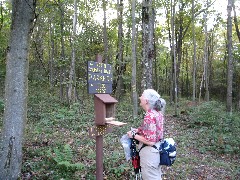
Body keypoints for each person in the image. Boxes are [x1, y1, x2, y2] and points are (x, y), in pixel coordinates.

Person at [127, 89, 166, 180]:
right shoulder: (157, 113)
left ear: (146, 101)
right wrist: (138, 130)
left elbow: (150, 141)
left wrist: (133, 136)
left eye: (142, 95)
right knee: (155, 175)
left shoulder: (149, 116)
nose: (140, 97)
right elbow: (153, 131)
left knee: (150, 177)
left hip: (150, 154)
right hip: (157, 150)